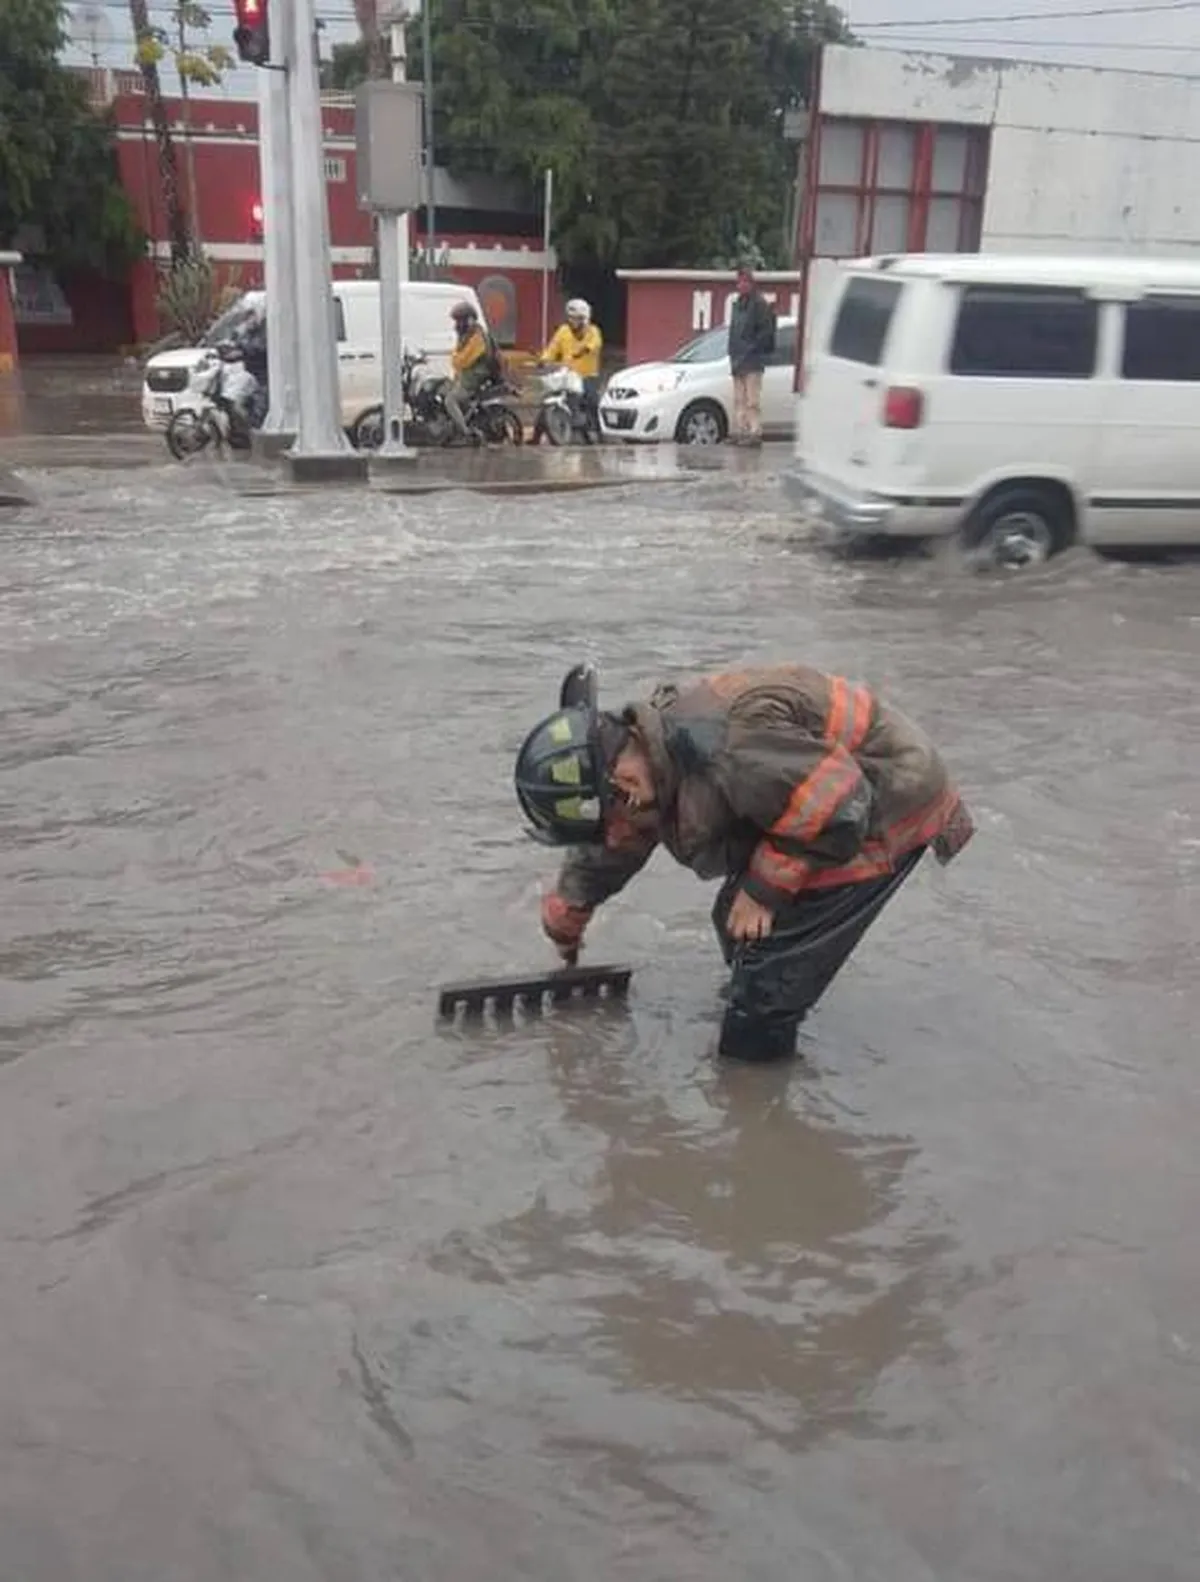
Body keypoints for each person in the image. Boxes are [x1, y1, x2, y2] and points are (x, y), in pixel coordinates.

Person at [513, 662, 974, 1062]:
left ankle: (759, 1096)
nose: (609, 839)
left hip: (883, 800)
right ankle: (754, 1007)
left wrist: (763, 889)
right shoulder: (639, 754)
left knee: (768, 977)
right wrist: (574, 899)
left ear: (627, 785)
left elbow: (839, 804)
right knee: (735, 927)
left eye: (605, 825)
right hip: (807, 798)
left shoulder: (726, 744)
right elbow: (622, 835)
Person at [727, 266, 776, 447]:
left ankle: (755, 432)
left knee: (752, 400)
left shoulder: (759, 304)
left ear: (751, 283)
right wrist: (732, 352)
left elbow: (766, 332)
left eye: (745, 281)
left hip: (753, 360)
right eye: (739, 282)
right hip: (737, 359)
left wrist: (753, 348)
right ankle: (742, 431)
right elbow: (734, 331)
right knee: (739, 399)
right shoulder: (738, 304)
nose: (741, 285)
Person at [541, 298, 604, 438]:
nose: (573, 322)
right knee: (548, 397)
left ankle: (598, 430)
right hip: (567, 374)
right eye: (571, 318)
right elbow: (553, 348)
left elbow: (596, 343)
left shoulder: (593, 331)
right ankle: (537, 434)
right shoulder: (563, 331)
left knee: (592, 401)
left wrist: (585, 350)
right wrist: (544, 360)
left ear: (585, 319)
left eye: (577, 319)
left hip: (587, 375)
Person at [443, 300, 500, 444]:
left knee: (450, 400)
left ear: (469, 320)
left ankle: (465, 433)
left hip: (475, 377)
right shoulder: (467, 336)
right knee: (442, 388)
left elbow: (461, 361)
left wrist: (455, 357)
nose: (456, 325)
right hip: (467, 375)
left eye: (459, 320)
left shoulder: (477, 338)